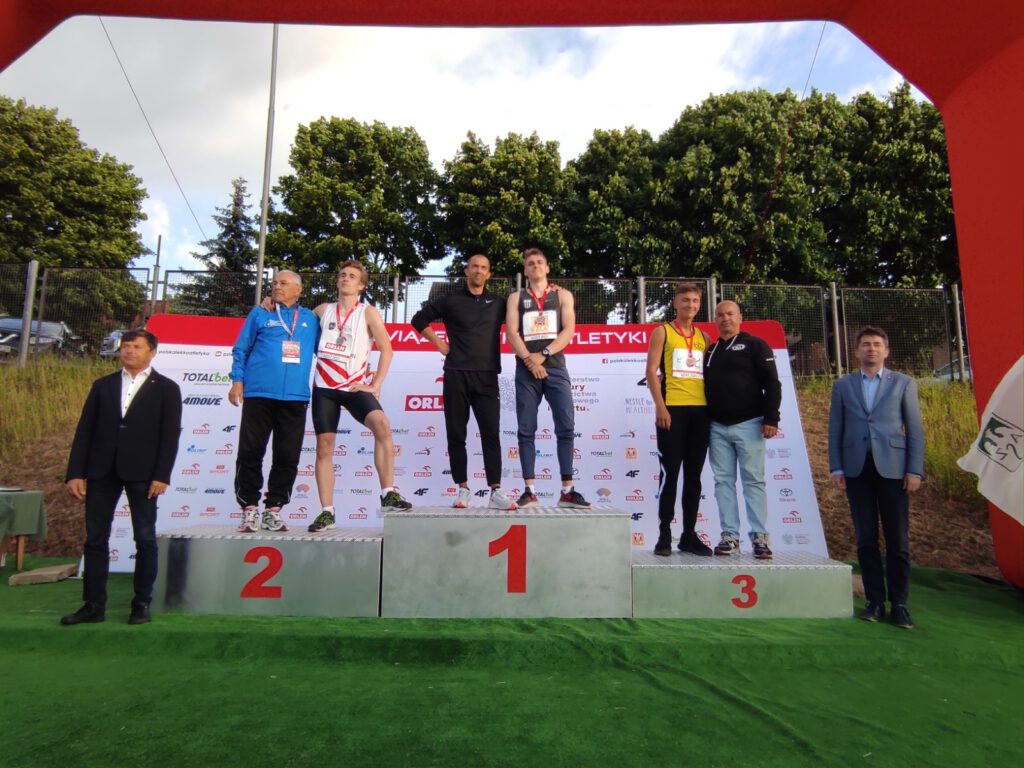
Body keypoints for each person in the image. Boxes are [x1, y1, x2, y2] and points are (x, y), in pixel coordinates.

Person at [61, 330, 182, 626]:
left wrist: (161, 475)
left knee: (144, 538)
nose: (129, 351)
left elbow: (170, 436)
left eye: (136, 346)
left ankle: (141, 603)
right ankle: (93, 605)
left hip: (144, 474)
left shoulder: (167, 388)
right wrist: (75, 472)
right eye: (125, 346)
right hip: (101, 470)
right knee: (95, 538)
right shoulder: (103, 385)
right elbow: (85, 430)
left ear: (152, 352)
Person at [302, 261, 412, 532]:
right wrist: (272, 304)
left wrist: (375, 384)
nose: (345, 279)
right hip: (325, 388)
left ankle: (388, 493)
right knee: (324, 447)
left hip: (353, 387)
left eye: (352, 276)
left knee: (382, 425)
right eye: (342, 275)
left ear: (361, 285)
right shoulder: (322, 310)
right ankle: (327, 512)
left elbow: (387, 350)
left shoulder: (368, 312)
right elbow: (296, 321)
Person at [828, 326, 924, 629]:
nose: (871, 349)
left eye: (877, 344)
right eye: (866, 344)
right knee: (866, 539)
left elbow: (915, 430)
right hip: (857, 469)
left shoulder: (903, 383)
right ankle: (874, 602)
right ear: (857, 351)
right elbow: (835, 428)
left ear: (886, 351)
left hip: (894, 469)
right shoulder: (843, 385)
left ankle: (899, 604)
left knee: (897, 540)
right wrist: (836, 467)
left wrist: (914, 470)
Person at [410, 253, 517, 510]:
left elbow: (526, 315)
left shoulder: (499, 303)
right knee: (456, 434)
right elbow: (418, 319)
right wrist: (439, 344)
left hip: (487, 376)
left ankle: (496, 491)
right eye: (474, 267)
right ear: (466, 271)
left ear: (489, 274)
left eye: (483, 267)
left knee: (491, 434)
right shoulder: (451, 299)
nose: (478, 271)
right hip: (456, 374)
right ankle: (463, 488)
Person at [229, 270, 319, 533]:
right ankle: (249, 508)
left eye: (283, 283)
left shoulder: (311, 319)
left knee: (287, 456)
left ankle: (273, 509)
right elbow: (241, 348)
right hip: (259, 393)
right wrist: (237, 380)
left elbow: (327, 349)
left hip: (295, 397)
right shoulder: (260, 313)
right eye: (274, 283)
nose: (276, 287)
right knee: (250, 452)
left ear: (298, 290)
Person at [505, 248, 590, 508]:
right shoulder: (516, 297)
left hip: (555, 367)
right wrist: (530, 361)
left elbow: (569, 330)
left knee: (566, 427)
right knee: (526, 429)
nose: (535, 266)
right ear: (525, 270)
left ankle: (567, 491)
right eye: (530, 263)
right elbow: (511, 333)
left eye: (540, 262)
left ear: (548, 267)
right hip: (526, 369)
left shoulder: (562, 295)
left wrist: (542, 355)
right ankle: (529, 491)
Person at [703, 300, 782, 559]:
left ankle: (760, 537)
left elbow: (772, 382)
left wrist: (772, 418)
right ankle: (730, 536)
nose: (725, 318)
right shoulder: (710, 350)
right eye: (720, 315)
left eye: (730, 314)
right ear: (715, 320)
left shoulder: (755, 344)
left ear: (740, 317)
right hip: (717, 426)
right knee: (723, 482)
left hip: (750, 423)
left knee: (753, 481)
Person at [645, 283, 713, 556]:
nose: (690, 305)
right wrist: (660, 407)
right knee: (670, 474)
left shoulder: (704, 337)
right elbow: (651, 371)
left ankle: (689, 535)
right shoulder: (662, 332)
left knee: (694, 477)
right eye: (685, 300)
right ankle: (664, 535)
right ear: (675, 303)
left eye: (695, 301)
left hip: (701, 412)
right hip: (672, 409)